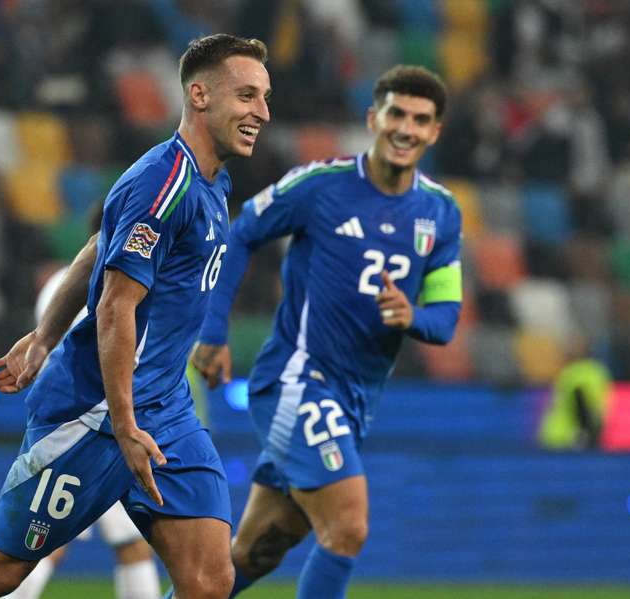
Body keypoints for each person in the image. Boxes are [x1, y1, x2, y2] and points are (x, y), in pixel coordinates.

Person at [0, 32, 271, 599]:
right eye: (246, 95)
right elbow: (117, 308)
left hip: (164, 407)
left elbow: (99, 245)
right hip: (96, 415)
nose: (262, 112)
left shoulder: (212, 182)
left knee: (210, 581)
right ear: (199, 95)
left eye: (264, 97)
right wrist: (122, 425)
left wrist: (43, 335)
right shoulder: (162, 182)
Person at [190, 65, 462, 599]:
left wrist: (413, 317)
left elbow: (446, 317)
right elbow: (241, 234)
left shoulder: (441, 213)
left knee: (252, 553)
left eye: (421, 120)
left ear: (435, 132)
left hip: (356, 401)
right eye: (397, 114)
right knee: (348, 524)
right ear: (373, 118)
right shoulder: (321, 186)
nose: (407, 128)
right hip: (299, 380)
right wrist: (214, 329)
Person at [1, 265, 161, 599]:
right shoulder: (129, 278)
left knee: (44, 536)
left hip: (63, 418)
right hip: (103, 423)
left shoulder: (59, 284)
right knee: (124, 542)